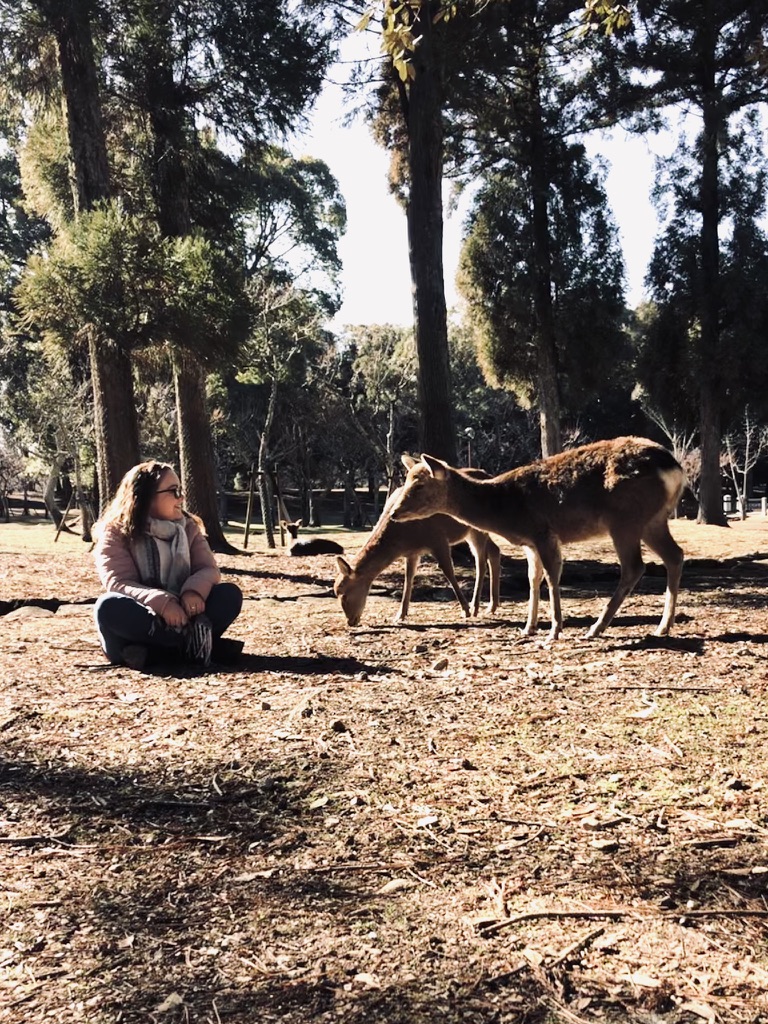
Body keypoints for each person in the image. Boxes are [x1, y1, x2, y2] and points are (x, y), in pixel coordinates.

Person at [93, 461, 243, 670]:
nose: (181, 498)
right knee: (108, 606)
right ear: (146, 496)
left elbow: (208, 569)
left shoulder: (188, 527)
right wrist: (162, 603)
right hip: (145, 618)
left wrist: (193, 593)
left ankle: (155, 653)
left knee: (228, 595)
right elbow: (118, 583)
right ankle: (194, 646)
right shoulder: (116, 532)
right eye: (174, 491)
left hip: (185, 613)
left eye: (180, 490)